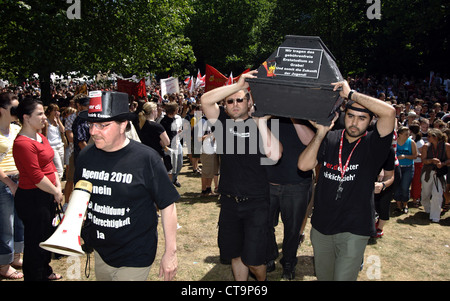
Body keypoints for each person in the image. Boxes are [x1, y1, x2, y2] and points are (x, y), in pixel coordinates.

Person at [74, 91, 179, 281]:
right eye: (91, 124)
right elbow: (80, 196)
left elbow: (167, 204)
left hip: (136, 253)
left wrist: (170, 252)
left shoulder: (147, 159)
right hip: (101, 252)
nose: (93, 131)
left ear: (123, 125)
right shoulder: (86, 156)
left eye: (103, 125)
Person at [298, 80, 396, 281]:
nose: (354, 122)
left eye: (362, 118)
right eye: (351, 116)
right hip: (322, 226)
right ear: (344, 116)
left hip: (355, 227)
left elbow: (390, 113)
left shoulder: (373, 144)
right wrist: (320, 134)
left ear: (370, 122)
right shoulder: (331, 138)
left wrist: (351, 94)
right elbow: (304, 166)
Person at [201, 70, 282, 281]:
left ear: (248, 102)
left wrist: (260, 121)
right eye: (230, 101)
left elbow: (275, 154)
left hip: (257, 203)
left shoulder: (262, 125)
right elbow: (206, 100)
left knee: (255, 260)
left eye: (240, 100)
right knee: (235, 255)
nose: (235, 104)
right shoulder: (221, 125)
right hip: (229, 202)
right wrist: (238, 85)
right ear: (225, 105)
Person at [13, 97, 63, 281]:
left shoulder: (40, 136)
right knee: (35, 242)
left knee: (46, 238)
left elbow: (49, 165)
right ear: (26, 117)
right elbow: (36, 176)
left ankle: (45, 271)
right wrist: (56, 191)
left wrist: (57, 185)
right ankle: (35, 276)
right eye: (40, 114)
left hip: (47, 195)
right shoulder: (22, 143)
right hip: (33, 198)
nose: (44, 117)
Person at [265, 117, 315, 280]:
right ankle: (269, 256)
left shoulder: (304, 115)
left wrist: (294, 117)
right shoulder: (266, 114)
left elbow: (311, 142)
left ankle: (288, 262)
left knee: (293, 230)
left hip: (297, 184)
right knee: (265, 225)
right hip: (268, 182)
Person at [0, 92, 24, 280]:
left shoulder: (17, 129)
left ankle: (16, 256)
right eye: (13, 108)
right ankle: (4, 264)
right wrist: (9, 183)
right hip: (3, 182)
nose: (17, 111)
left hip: (19, 179)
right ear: (2, 110)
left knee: (19, 221)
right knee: (6, 225)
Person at [420, 128, 450, 223]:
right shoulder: (426, 146)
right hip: (428, 172)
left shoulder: (446, 146)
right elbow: (423, 160)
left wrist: (443, 163)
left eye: (429, 136)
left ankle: (435, 216)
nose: (427, 138)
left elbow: (449, 159)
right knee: (425, 193)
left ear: (435, 137)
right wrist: (431, 160)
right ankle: (428, 209)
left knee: (438, 194)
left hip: (440, 173)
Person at [394, 126, 417, 214]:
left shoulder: (411, 142)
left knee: (405, 187)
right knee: (396, 187)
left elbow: (415, 156)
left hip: (408, 167)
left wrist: (405, 156)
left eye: (408, 134)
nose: (408, 135)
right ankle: (398, 205)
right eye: (406, 134)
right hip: (397, 167)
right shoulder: (394, 142)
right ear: (399, 134)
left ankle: (405, 204)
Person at [160, 102, 184, 187]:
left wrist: (178, 132)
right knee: (170, 166)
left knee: (180, 163)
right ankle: (169, 182)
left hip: (177, 143)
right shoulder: (164, 121)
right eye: (177, 109)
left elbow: (177, 129)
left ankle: (174, 179)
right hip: (169, 147)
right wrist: (165, 147)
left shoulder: (177, 118)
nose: (178, 110)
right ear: (173, 110)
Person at [43, 104, 65, 179]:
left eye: (57, 110)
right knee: (59, 170)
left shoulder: (57, 121)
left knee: (61, 167)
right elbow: (44, 135)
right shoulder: (46, 122)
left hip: (60, 146)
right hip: (52, 147)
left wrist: (58, 120)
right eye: (54, 110)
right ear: (50, 111)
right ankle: (56, 187)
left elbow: (63, 130)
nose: (56, 112)